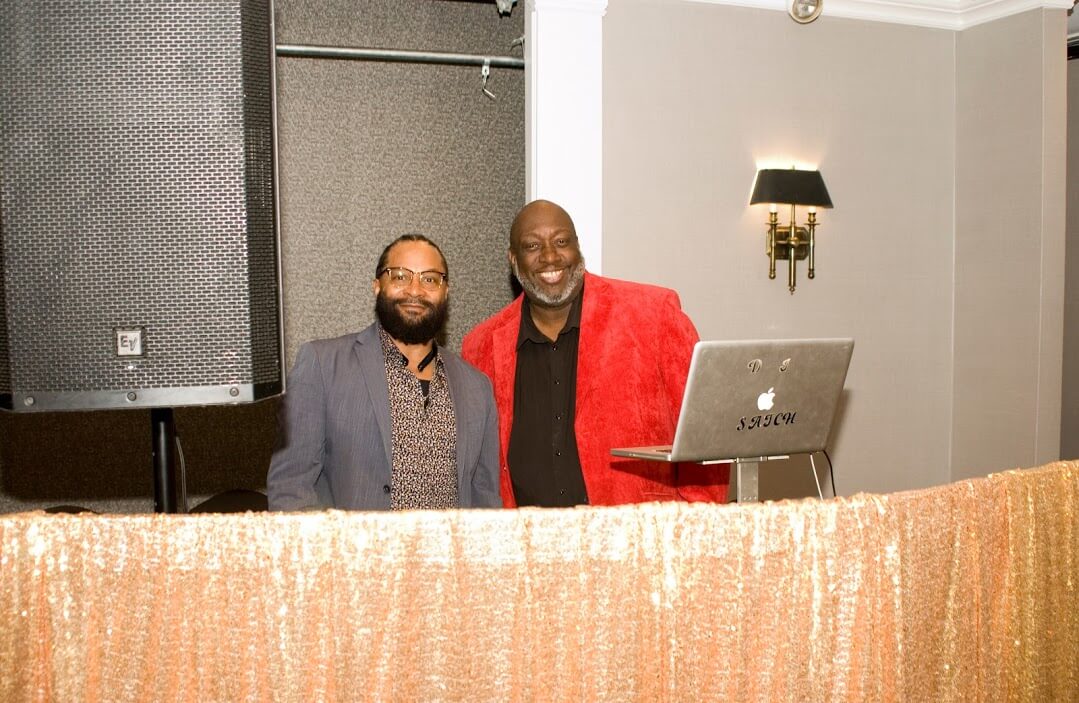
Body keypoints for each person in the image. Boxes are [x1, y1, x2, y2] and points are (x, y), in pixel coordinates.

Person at [461, 200, 729, 507]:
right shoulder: (480, 347)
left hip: (639, 533)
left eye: (561, 242)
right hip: (526, 536)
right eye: (532, 245)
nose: (550, 256)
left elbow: (706, 433)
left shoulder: (653, 315)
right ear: (513, 259)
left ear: (578, 247)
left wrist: (694, 524)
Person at [267, 234, 501, 511]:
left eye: (430, 279)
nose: (415, 290)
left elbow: (486, 500)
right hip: (351, 541)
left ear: (445, 292)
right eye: (400, 276)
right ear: (377, 286)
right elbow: (291, 487)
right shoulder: (322, 365)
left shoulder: (477, 387)